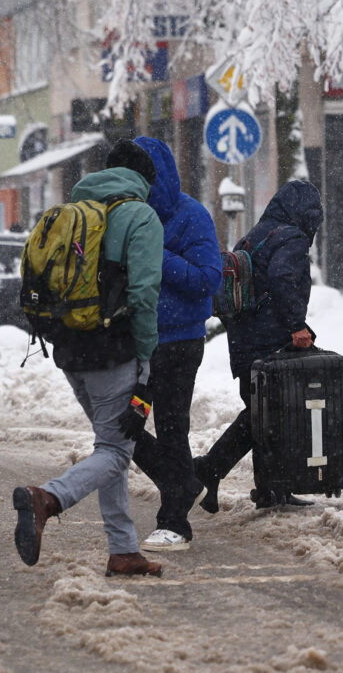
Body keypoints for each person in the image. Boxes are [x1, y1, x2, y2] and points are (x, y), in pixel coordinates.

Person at [13, 139, 166, 577]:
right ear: (145, 181)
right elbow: (142, 296)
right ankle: (49, 498)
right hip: (114, 351)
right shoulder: (140, 216)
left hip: (70, 348)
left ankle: (123, 549)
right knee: (117, 452)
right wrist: (147, 359)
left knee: (110, 444)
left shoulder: (75, 210)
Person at [194, 179, 321, 511]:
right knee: (268, 415)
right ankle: (210, 468)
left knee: (264, 416)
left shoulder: (254, 235)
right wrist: (296, 325)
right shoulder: (290, 237)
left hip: (243, 340)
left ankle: (269, 489)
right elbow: (281, 277)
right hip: (267, 343)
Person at [130, 137, 222, 552]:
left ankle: (174, 523)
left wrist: (156, 256)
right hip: (138, 343)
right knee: (122, 425)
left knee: (171, 428)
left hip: (180, 343)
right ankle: (183, 482)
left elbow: (208, 278)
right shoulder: (126, 217)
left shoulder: (192, 216)